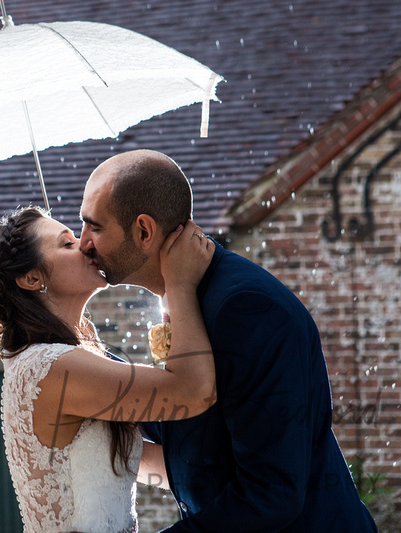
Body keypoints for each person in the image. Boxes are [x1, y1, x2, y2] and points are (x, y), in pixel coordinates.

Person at [79, 149, 378, 532]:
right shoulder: (186, 294)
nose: (84, 242)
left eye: (95, 227)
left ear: (143, 232)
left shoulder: (245, 309)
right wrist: (82, 362)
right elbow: (182, 420)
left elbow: (271, 493)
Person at [0, 206, 216, 533]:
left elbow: (136, 460)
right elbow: (193, 391)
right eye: (67, 244)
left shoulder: (59, 358)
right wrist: (178, 284)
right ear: (32, 278)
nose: (86, 245)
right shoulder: (52, 367)